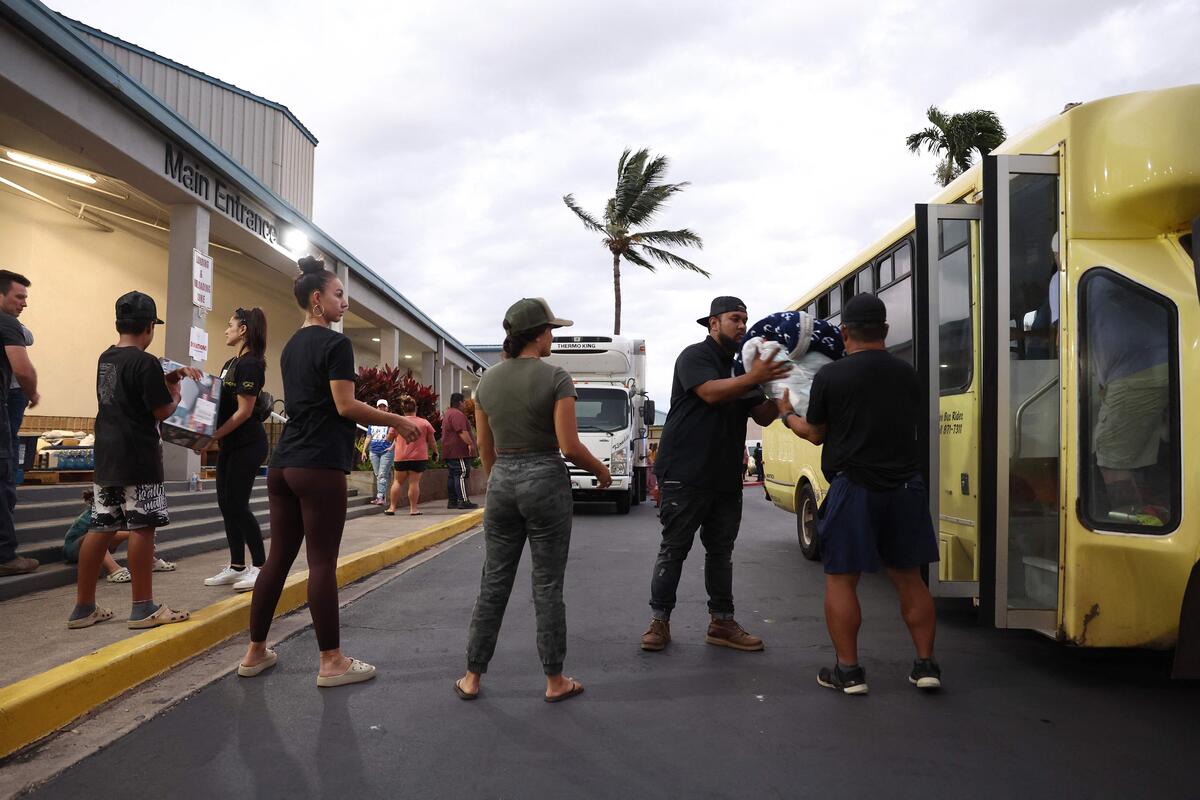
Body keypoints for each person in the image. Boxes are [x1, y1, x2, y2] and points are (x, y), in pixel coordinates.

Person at [238, 255, 420, 687]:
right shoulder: (335, 345)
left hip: (283, 464)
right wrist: (398, 421)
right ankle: (331, 661)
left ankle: (255, 652)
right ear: (317, 300)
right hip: (319, 463)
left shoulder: (290, 347)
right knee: (321, 563)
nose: (345, 302)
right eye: (339, 295)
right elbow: (343, 405)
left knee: (277, 560)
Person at [778, 293, 941, 695]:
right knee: (910, 579)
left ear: (845, 332)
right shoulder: (908, 375)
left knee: (842, 580)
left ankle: (848, 672)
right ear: (885, 331)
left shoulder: (832, 378)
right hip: (905, 486)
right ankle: (925, 666)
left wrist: (786, 415)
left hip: (855, 487)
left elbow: (815, 434)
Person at [454, 298, 611, 703]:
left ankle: (472, 675)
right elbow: (569, 446)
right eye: (551, 330)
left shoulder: (486, 382)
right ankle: (554, 680)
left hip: (502, 478)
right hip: (545, 478)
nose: (553, 337)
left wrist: (500, 483)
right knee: (547, 584)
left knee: (493, 581)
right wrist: (601, 470)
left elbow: (485, 448)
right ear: (539, 334)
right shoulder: (557, 377)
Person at [640, 297, 788, 653]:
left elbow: (764, 416)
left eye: (745, 320)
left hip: (724, 475)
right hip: (684, 471)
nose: (742, 326)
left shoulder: (744, 366)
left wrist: (786, 393)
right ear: (713, 323)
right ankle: (659, 622)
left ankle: (721, 622)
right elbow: (709, 392)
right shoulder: (695, 356)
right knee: (675, 548)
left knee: (720, 551)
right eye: (735, 319)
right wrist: (755, 376)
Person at [68, 291, 199, 630]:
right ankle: (143, 608)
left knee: (101, 526)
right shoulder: (146, 362)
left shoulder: (106, 358)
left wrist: (167, 377)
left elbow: (129, 390)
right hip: (139, 457)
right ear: (148, 328)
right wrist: (175, 394)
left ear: (119, 323)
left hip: (108, 456)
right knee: (143, 527)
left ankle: (83, 608)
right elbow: (161, 410)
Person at [204, 308, 270, 593]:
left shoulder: (252, 364)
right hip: (229, 444)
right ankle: (237, 565)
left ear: (244, 329)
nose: (226, 330)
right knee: (225, 504)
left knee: (237, 505)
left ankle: (261, 567)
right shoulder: (231, 362)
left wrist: (213, 437)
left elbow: (244, 412)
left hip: (248, 444)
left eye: (230, 325)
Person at [0, 269, 38, 576]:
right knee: (3, 476)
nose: (23, 303)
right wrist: (33, 392)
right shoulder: (7, 323)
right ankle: (4, 555)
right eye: (19, 297)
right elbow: (22, 369)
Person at [63, 490, 131, 582]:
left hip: (97, 547)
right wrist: (131, 535)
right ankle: (114, 570)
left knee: (135, 532)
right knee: (99, 534)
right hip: (73, 549)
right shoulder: (97, 513)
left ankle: (152, 562)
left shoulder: (117, 511)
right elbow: (99, 533)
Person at [387, 395, 437, 516]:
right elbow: (432, 441)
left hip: (401, 457)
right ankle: (413, 509)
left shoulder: (397, 422)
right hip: (418, 458)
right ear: (416, 408)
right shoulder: (424, 423)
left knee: (397, 482)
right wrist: (436, 452)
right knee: (414, 483)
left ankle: (392, 508)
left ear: (403, 409)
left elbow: (389, 439)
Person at [442, 392, 477, 509]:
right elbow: (461, 431)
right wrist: (470, 444)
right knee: (461, 474)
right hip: (458, 451)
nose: (465, 405)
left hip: (449, 451)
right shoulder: (457, 414)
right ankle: (463, 500)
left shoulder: (448, 413)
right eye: (464, 402)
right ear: (460, 402)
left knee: (453, 476)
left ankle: (452, 501)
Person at [365, 400, 396, 505]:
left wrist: (392, 447)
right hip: (373, 451)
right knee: (378, 474)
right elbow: (368, 437)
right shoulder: (372, 422)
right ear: (377, 408)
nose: (381, 408)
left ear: (387, 408)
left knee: (382, 475)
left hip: (386, 451)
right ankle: (382, 496)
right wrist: (364, 450)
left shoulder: (390, 421)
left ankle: (380, 497)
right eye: (379, 407)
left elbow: (397, 435)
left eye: (384, 407)